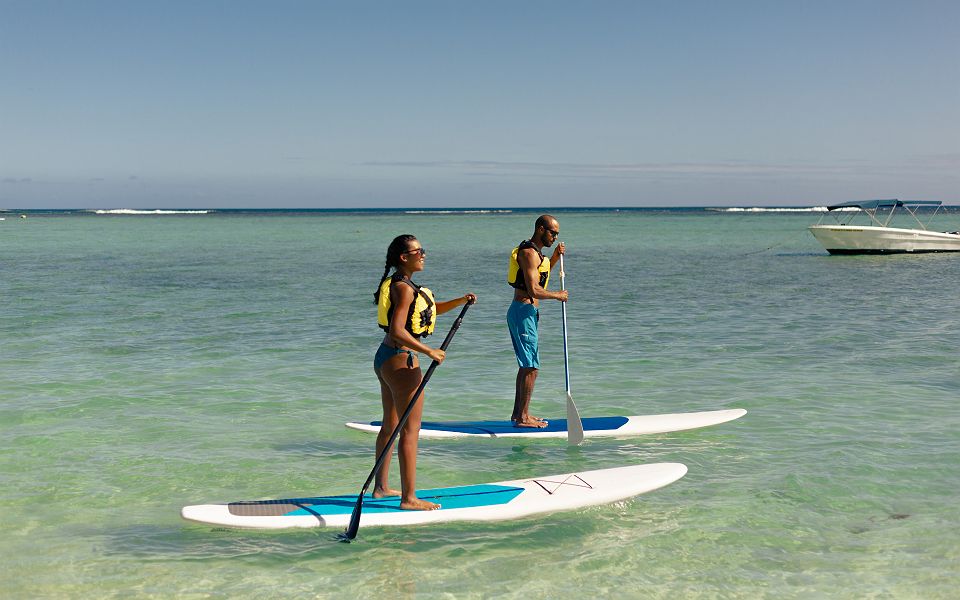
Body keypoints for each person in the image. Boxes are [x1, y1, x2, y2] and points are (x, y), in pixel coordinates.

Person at [372, 234, 476, 510]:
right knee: (410, 430)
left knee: (391, 425)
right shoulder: (404, 288)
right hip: (401, 362)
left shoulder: (401, 284)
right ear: (404, 258)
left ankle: (381, 488)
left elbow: (425, 313)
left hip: (385, 358)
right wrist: (430, 351)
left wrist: (459, 301)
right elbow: (397, 330)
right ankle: (409, 498)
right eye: (419, 251)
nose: (424, 255)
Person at [506, 215, 567, 428]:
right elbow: (533, 289)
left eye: (557, 233)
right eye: (553, 232)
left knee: (528, 366)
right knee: (531, 366)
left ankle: (519, 415)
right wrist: (557, 295)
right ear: (541, 229)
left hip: (527, 313)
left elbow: (541, 274)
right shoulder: (528, 253)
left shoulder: (537, 254)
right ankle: (523, 418)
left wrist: (555, 258)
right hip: (522, 311)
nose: (555, 237)